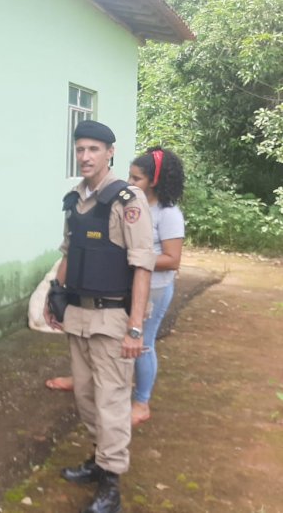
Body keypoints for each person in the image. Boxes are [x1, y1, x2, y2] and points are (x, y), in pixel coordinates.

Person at [44, 120, 154, 513]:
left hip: (113, 319)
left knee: (111, 402)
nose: (85, 156)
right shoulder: (74, 200)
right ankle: (99, 458)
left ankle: (111, 482)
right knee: (88, 398)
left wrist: (135, 328)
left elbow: (143, 267)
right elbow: (69, 253)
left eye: (93, 149)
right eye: (80, 149)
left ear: (110, 152)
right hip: (78, 314)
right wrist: (52, 294)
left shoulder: (128, 201)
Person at [128, 147, 185, 426]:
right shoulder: (135, 206)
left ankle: (142, 402)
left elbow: (173, 260)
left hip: (156, 288)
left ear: (153, 181)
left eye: (136, 178)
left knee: (143, 344)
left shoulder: (168, 213)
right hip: (133, 284)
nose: (130, 183)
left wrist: (137, 258)